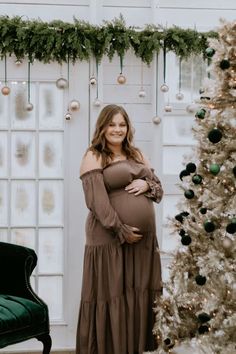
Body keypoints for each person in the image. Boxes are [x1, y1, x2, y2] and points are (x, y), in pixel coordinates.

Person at [76, 104, 163, 354]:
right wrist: (121, 229)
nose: (117, 129)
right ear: (102, 128)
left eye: (122, 124)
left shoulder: (136, 153)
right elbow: (96, 202)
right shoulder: (94, 155)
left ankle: (132, 349)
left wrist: (147, 187)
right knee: (111, 293)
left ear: (128, 128)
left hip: (143, 243)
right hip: (109, 238)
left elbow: (158, 188)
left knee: (135, 293)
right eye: (112, 124)